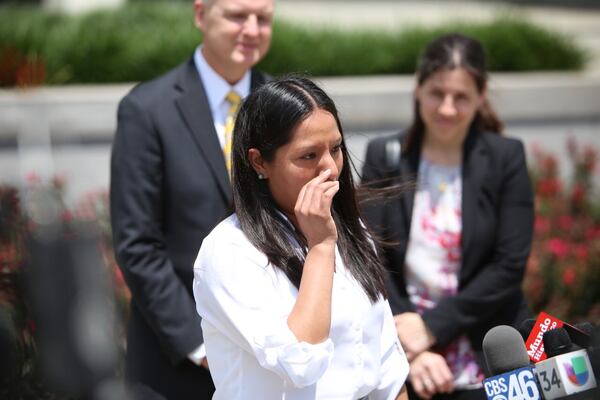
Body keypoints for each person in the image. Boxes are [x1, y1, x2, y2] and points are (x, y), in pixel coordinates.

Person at [193, 76, 410, 399]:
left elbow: (387, 371)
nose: (330, 169)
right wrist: (320, 248)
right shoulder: (229, 250)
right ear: (259, 162)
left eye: (336, 149)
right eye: (308, 156)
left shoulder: (349, 231)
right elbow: (300, 361)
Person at [109, 0, 273, 398]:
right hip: (178, 367)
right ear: (201, 15)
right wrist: (202, 347)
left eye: (263, 18)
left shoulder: (286, 106)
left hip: (273, 362)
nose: (251, 29)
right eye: (237, 15)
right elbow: (138, 244)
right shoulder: (147, 109)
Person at [361, 33, 534, 400]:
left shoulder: (507, 158)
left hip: (485, 353)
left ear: (481, 97)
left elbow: (509, 266)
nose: (447, 108)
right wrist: (412, 345)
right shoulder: (384, 156)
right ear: (418, 88)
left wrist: (432, 327)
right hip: (404, 349)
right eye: (437, 93)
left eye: (461, 97)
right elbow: (370, 257)